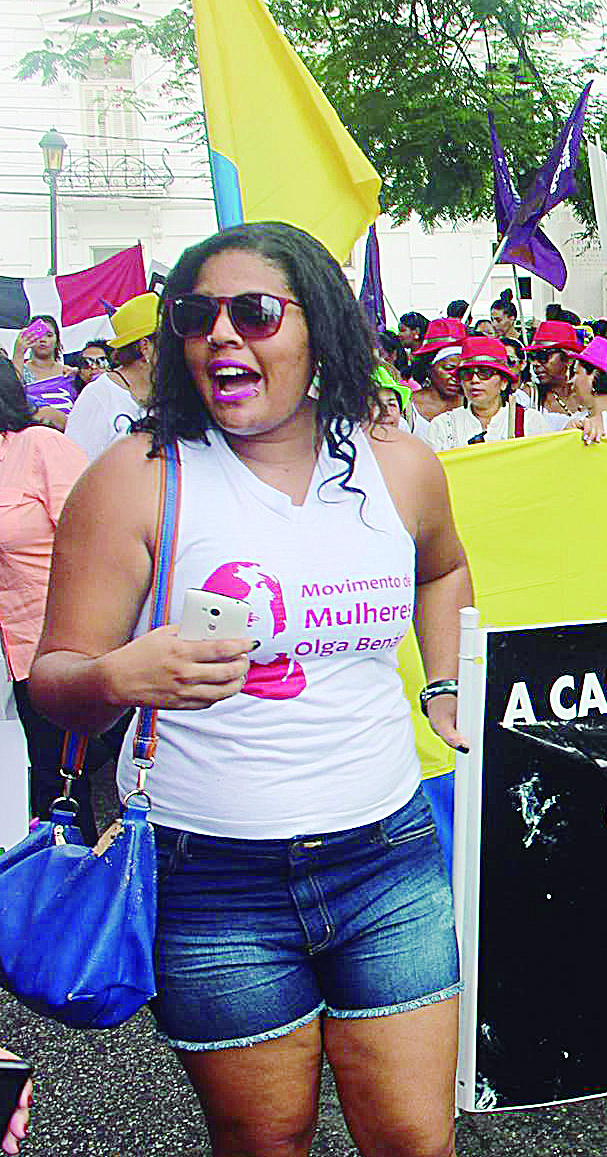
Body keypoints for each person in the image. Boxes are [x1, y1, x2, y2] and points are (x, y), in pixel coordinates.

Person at [30, 220, 472, 1157]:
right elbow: (54, 682)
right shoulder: (136, 481)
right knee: (268, 1141)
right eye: (198, 316)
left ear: (321, 332)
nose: (221, 336)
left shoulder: (396, 468)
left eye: (256, 312)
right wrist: (119, 674)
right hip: (215, 880)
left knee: (415, 1143)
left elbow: (443, 570)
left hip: (388, 858)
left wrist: (442, 685)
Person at [0, 360, 91, 838]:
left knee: (63, 788)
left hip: (60, 646)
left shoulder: (38, 448)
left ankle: (80, 899)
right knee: (38, 780)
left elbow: (98, 541)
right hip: (13, 658)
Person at [423, 335, 566, 451]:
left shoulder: (529, 421)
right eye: (467, 374)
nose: (474, 380)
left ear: (503, 382)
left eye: (485, 373)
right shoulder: (442, 426)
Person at [66, 291, 160, 462]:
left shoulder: (168, 392)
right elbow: (73, 467)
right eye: (169, 340)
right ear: (145, 347)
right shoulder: (98, 395)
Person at [408, 317, 466, 422]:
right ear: (428, 367)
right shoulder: (408, 407)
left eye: (461, 369)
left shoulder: (472, 405)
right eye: (448, 368)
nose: (455, 376)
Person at [526, 319, 584, 419]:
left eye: (542, 356)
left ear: (569, 358)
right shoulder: (529, 397)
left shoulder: (590, 393)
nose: (535, 363)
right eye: (532, 356)